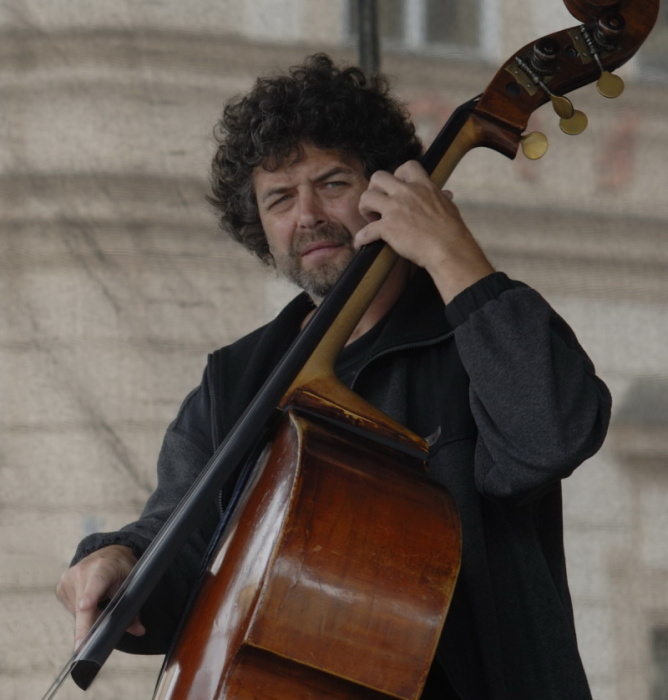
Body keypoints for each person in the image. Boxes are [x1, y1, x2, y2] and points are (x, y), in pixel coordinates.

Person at [56, 54, 611, 699]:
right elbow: (181, 545)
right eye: (280, 198)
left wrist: (449, 250)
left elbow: (552, 436)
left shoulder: (478, 327)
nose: (308, 214)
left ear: (388, 191)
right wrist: (120, 558)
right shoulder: (234, 381)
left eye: (332, 182)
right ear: (260, 227)